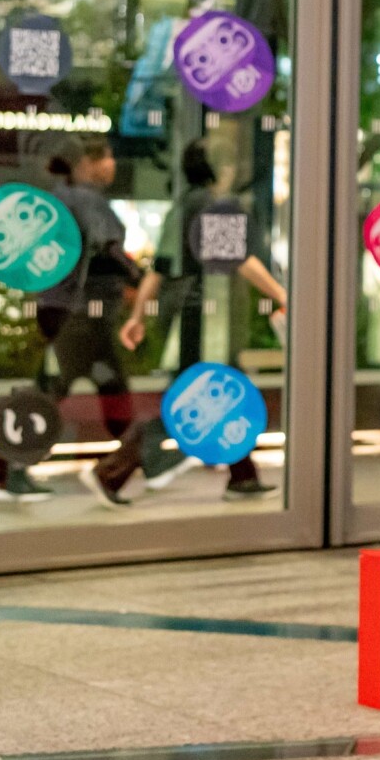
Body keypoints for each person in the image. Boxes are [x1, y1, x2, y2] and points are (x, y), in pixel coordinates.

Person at [0, 142, 156, 507]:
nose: (111, 164)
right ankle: (13, 469)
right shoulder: (87, 201)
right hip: (81, 315)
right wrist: (143, 280)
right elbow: (112, 253)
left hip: (59, 309)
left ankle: (127, 465)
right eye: (105, 157)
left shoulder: (60, 197)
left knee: (100, 389)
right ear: (87, 164)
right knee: (59, 391)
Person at [123, 140, 290, 500]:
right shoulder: (213, 206)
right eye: (229, 161)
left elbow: (160, 268)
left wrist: (138, 315)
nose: (235, 168)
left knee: (219, 389)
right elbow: (241, 260)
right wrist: (281, 295)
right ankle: (114, 470)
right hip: (203, 316)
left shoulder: (184, 204)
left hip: (184, 313)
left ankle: (242, 476)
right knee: (201, 391)